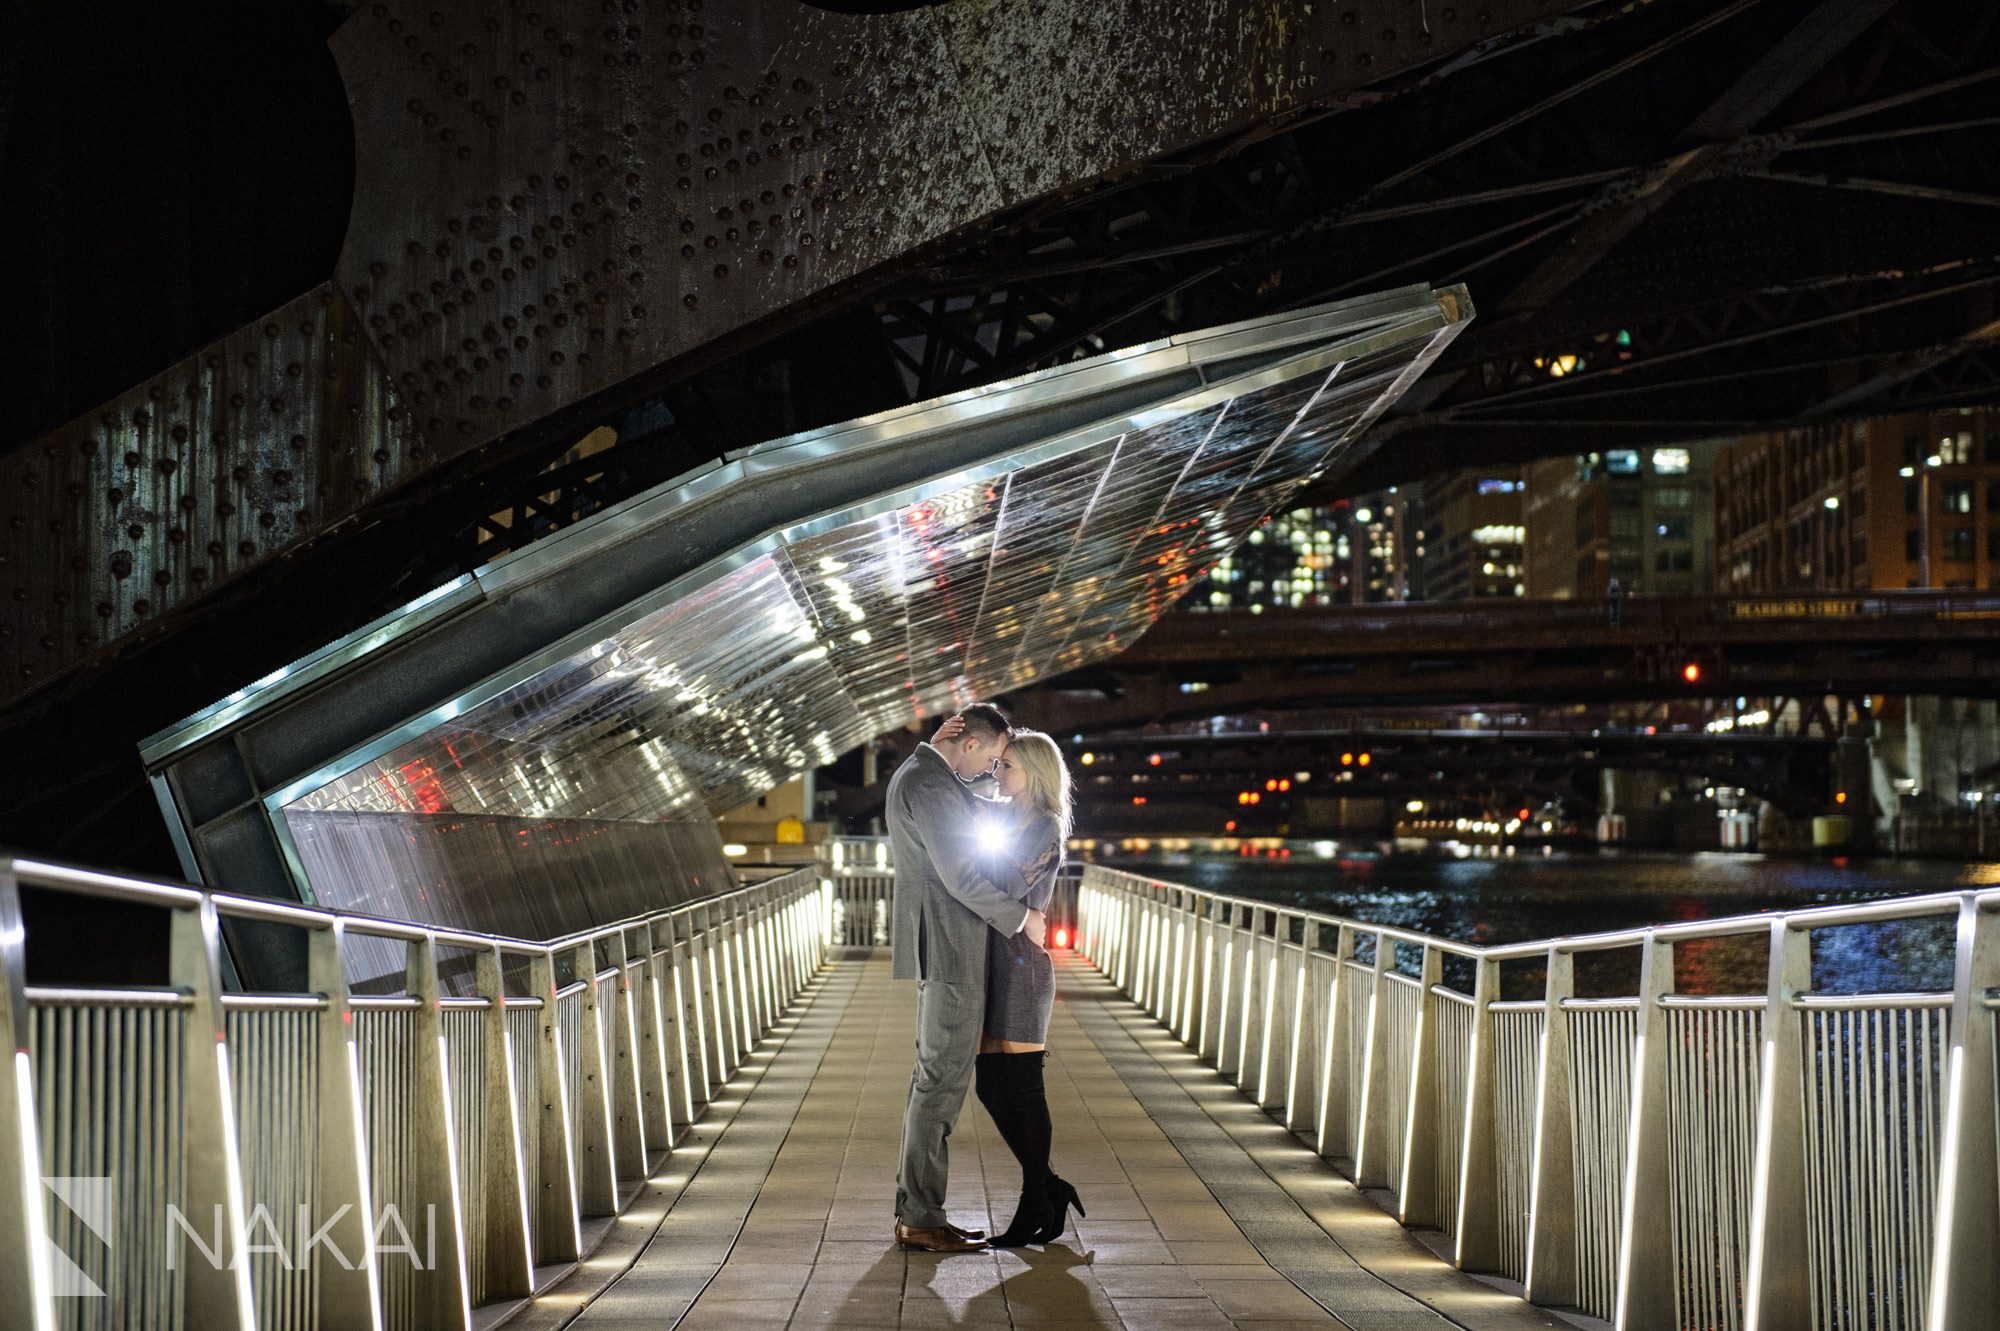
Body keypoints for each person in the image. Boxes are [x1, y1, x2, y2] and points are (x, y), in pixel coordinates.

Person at [887, 704, 1048, 1253]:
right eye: (994, 759)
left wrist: (935, 748)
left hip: (945, 946)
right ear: (974, 745)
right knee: (940, 1083)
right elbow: (959, 874)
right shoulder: (929, 783)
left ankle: (920, 1210)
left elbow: (973, 806)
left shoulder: (927, 774)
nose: (991, 773)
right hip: (952, 947)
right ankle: (921, 1216)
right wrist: (1022, 917)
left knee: (934, 1079)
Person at [941, 719, 1089, 1247]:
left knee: (1023, 1086)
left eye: (1007, 766)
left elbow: (1005, 883)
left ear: (1036, 773)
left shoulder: (1044, 825)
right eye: (997, 764)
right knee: (990, 1081)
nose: (997, 772)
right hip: (993, 958)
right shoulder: (1003, 816)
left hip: (1024, 965)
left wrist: (972, 861)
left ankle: (1033, 1201)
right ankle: (1048, 1186)